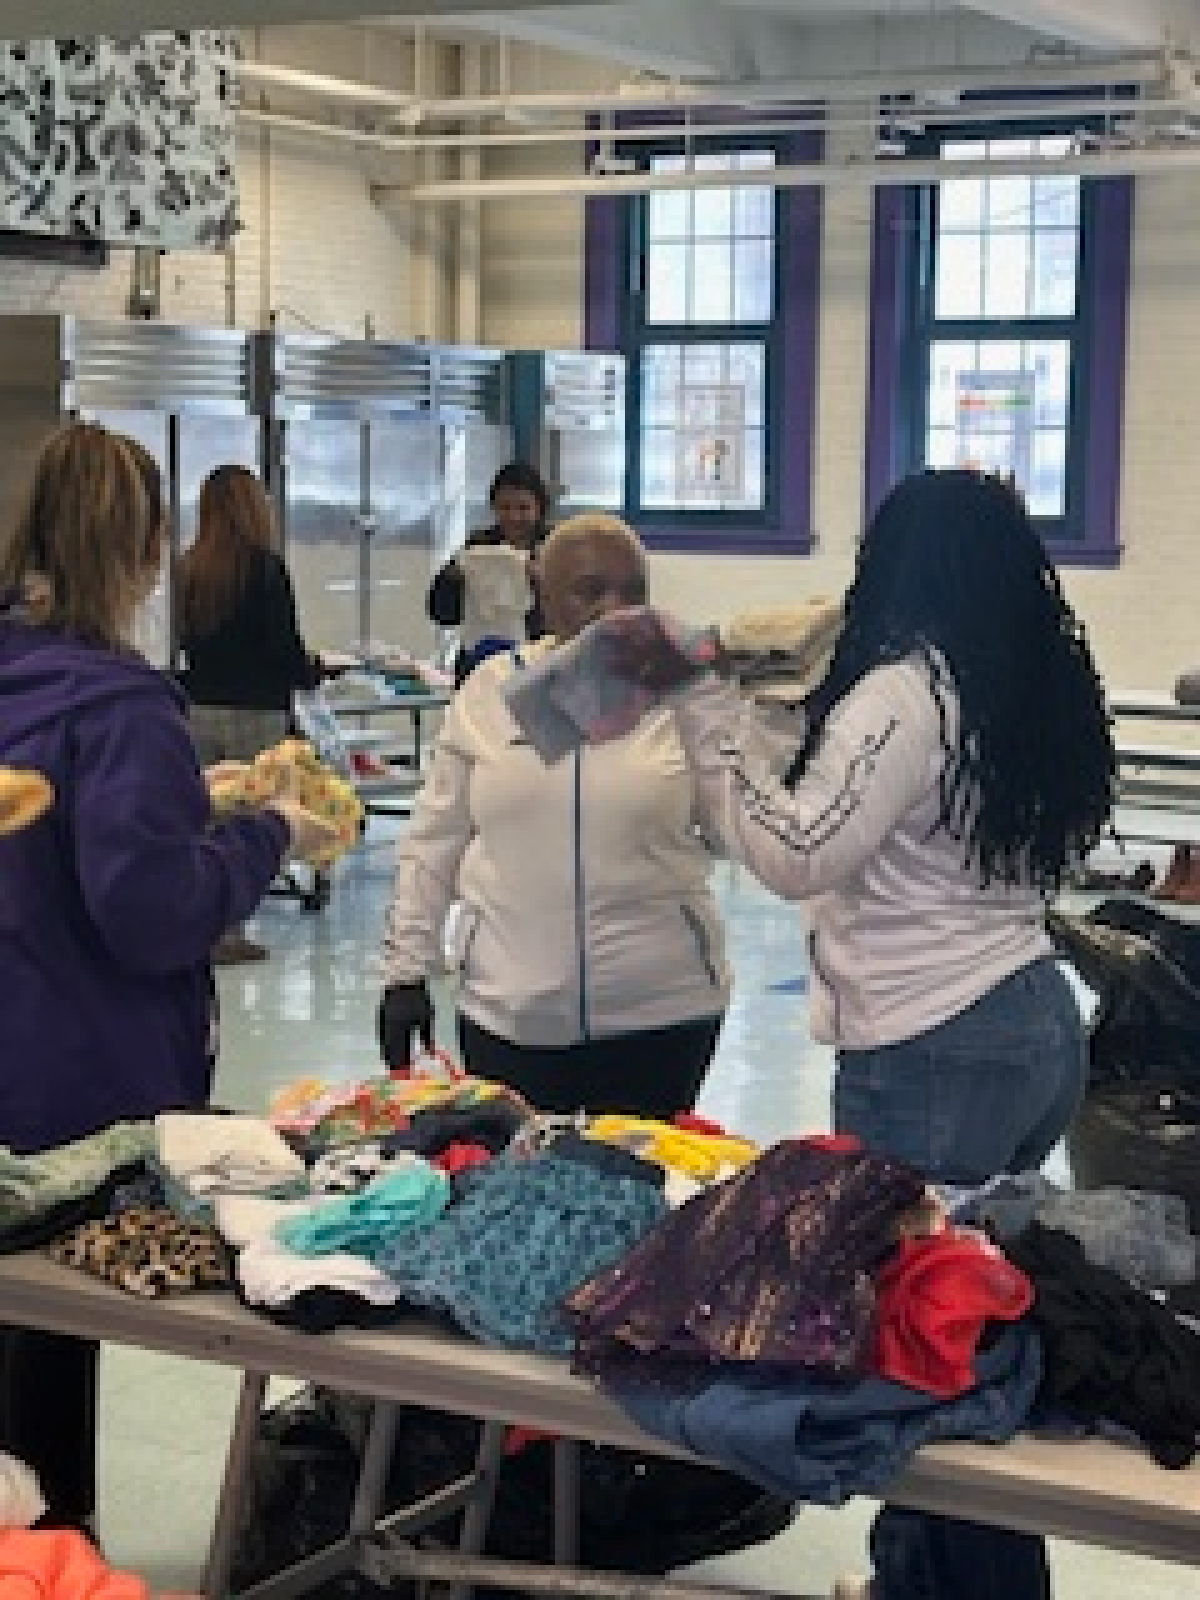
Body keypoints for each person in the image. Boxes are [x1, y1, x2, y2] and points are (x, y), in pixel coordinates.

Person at [587, 468, 1117, 1600]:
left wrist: (710, 712)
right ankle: (919, 1582)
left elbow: (796, 854)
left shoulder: (907, 692)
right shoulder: (1019, 679)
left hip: (937, 1047)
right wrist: (776, 727)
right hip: (1026, 1023)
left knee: (929, 1352)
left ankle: (964, 1590)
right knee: (977, 1324)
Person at [0, 422, 334, 1535]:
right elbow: (147, 913)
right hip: (73, 1090)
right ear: (147, 550)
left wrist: (192, 800)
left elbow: (52, 847)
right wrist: (266, 833)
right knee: (45, 1355)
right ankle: (54, 1554)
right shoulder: (123, 704)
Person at [380, 511, 737, 1117]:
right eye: (589, 590)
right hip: (510, 1016)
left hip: (662, 1013)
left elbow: (736, 836)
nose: (613, 609)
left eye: (632, 592)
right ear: (541, 593)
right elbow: (433, 841)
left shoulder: (681, 694)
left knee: (648, 1197)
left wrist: (733, 713)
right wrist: (405, 970)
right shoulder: (489, 695)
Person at [179, 464, 325, 963]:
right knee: (250, 817)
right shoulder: (265, 570)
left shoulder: (188, 570)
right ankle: (230, 930)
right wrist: (315, 671)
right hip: (256, 709)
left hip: (199, 706)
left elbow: (183, 643)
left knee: (204, 814)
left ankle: (199, 922)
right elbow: (284, 650)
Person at [427, 461, 549, 686]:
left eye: (523, 508)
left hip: (539, 671)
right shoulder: (478, 547)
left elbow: (577, 620)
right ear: (494, 508)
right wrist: (452, 579)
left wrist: (545, 584)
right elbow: (440, 612)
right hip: (479, 668)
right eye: (505, 507)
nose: (513, 517)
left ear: (539, 508)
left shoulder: (556, 549)